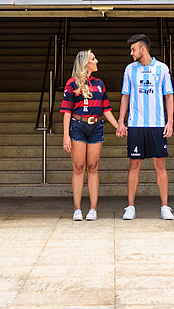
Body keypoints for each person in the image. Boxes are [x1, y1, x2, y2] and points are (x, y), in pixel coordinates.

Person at [116, 33, 174, 220]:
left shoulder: (162, 68)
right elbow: (125, 96)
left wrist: (170, 121)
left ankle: (165, 206)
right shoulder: (129, 69)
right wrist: (120, 121)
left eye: (133, 49)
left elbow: (169, 95)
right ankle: (130, 207)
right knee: (134, 165)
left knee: (160, 164)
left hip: (157, 125)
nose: (131, 53)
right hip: (136, 125)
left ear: (143, 49)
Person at [60, 50, 120, 221]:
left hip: (96, 126)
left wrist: (118, 126)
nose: (97, 61)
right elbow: (66, 111)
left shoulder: (100, 83)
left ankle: (93, 208)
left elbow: (106, 109)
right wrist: (66, 135)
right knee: (79, 167)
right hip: (78, 126)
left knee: (93, 167)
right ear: (85, 63)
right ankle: (77, 208)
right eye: (93, 59)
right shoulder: (72, 83)